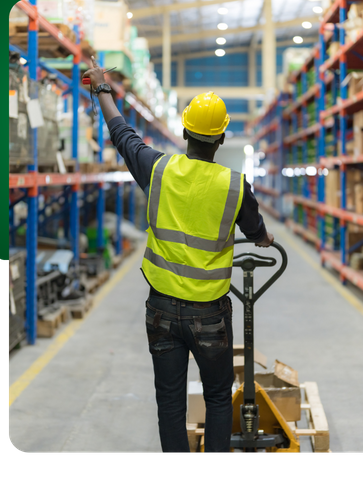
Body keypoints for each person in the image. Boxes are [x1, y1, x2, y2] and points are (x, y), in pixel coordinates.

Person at [82, 57, 274, 455]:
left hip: (162, 312)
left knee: (170, 401)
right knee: (219, 397)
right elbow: (255, 229)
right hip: (210, 317)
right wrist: (264, 238)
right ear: (221, 139)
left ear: (184, 130)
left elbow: (122, 134)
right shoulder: (234, 186)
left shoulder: (158, 169)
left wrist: (103, 89)